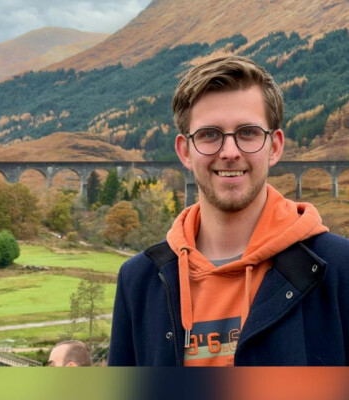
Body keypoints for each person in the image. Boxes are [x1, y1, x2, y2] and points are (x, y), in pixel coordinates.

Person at [108, 55, 349, 366]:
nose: (230, 152)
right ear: (185, 151)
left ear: (274, 146)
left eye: (248, 132)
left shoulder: (338, 269)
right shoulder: (139, 281)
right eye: (209, 135)